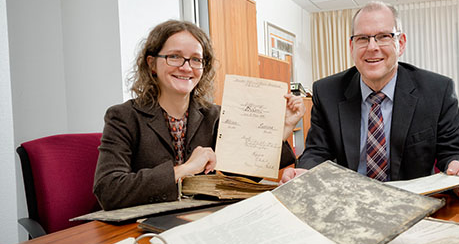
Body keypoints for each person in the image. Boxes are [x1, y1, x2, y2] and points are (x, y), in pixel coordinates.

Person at [281, 1, 459, 205]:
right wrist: (304, 173)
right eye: (362, 38)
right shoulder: (327, 92)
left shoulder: (437, 90)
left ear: (401, 43)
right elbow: (317, 152)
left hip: (414, 205)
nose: (372, 47)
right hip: (350, 204)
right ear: (352, 47)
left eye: (384, 37)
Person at [94, 20, 304, 210]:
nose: (186, 68)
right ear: (152, 64)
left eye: (196, 60)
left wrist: (281, 130)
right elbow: (109, 190)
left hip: (203, 218)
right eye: (174, 57)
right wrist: (184, 169)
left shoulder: (214, 115)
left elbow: (244, 173)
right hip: (142, 226)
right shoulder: (123, 116)